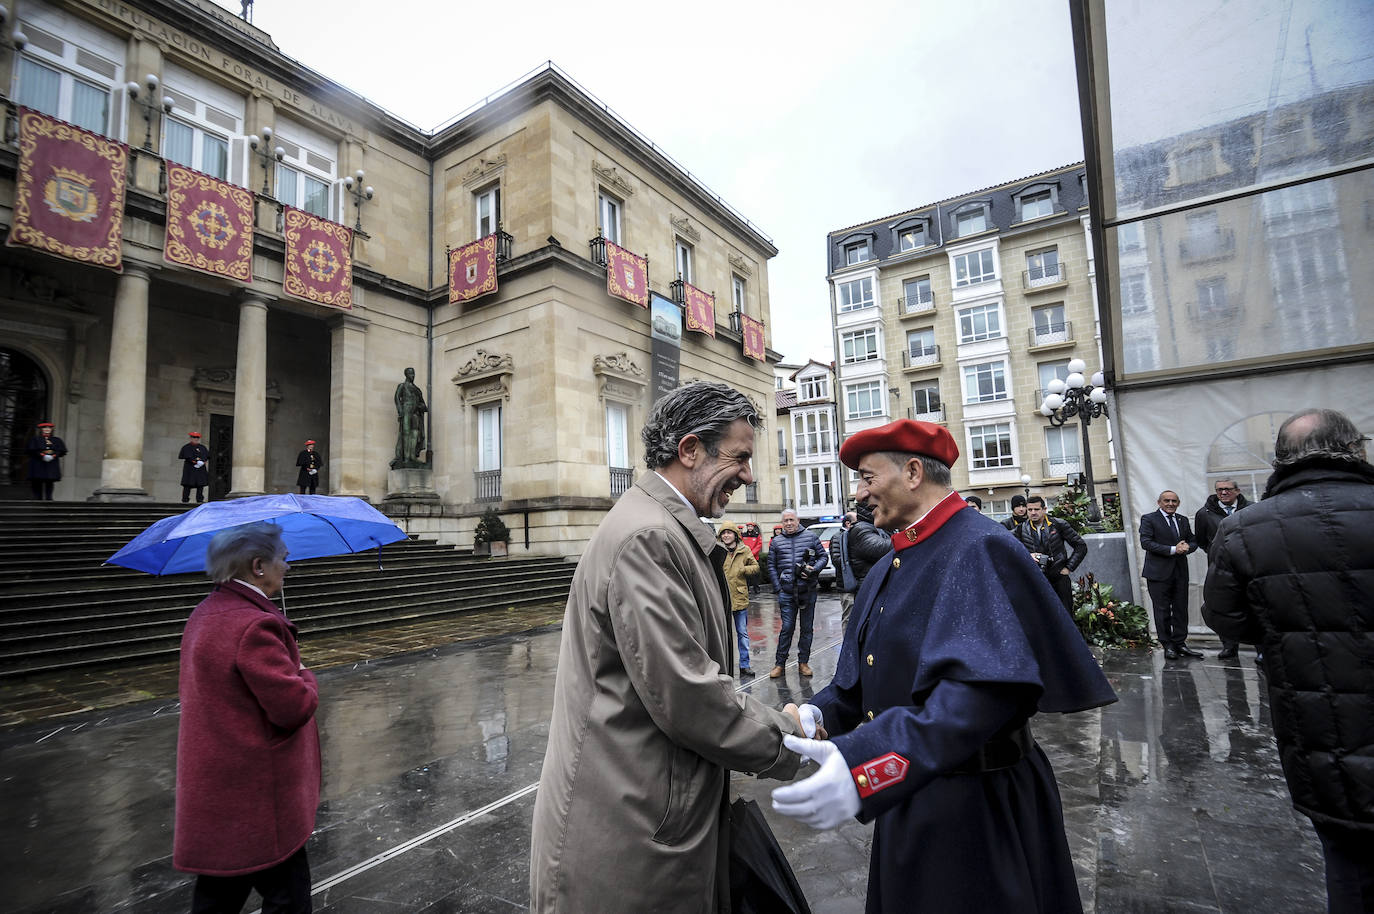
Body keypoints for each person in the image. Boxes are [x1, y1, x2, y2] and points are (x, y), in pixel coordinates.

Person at [770, 418, 1116, 913]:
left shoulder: (977, 545)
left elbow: (979, 696)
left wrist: (867, 769)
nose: (860, 494)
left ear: (913, 472)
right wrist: (819, 714)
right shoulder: (901, 555)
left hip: (976, 806)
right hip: (917, 793)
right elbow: (871, 672)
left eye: (868, 477)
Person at [529, 382, 803, 914]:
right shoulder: (650, 538)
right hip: (630, 830)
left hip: (644, 814)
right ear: (690, 450)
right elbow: (690, 697)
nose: (749, 475)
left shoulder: (666, 528)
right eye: (740, 457)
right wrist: (789, 736)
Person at [1203, 408, 1374, 913]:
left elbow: (1224, 618)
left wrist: (1289, 634)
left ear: (1281, 461)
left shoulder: (1243, 530)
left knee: (1350, 860)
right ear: (1357, 450)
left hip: (1320, 718)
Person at [174, 523, 319, 914]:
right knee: (287, 897)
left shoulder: (206, 612)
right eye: (283, 559)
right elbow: (294, 707)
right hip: (259, 796)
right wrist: (304, 672)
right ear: (258, 566)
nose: (287, 568)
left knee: (217, 896)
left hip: (217, 789)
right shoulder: (255, 624)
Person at [1194, 477, 1251, 660]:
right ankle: (1229, 646)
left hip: (1248, 564)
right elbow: (1201, 540)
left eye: (1227, 489)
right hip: (1221, 568)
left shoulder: (1251, 509)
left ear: (1237, 491)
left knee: (1253, 603)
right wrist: (1215, 552)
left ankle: (1261, 648)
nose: (1223, 493)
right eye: (1219, 490)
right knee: (1225, 604)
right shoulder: (1204, 513)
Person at [1139, 489, 1200, 660]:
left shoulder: (1182, 520)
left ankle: (1180, 643)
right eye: (1167, 501)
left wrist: (1187, 547)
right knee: (1162, 610)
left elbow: (1193, 541)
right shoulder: (1149, 519)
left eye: (1174, 501)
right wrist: (1174, 549)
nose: (1170, 504)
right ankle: (1167, 645)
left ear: (1178, 503)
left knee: (1181, 610)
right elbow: (1146, 543)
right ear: (1159, 502)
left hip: (1180, 572)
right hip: (1158, 574)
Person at [767, 508, 827, 678]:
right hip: (786, 592)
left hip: (807, 590)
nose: (788, 523)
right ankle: (780, 664)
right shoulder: (776, 541)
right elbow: (771, 565)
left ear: (798, 520)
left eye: (791, 520)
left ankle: (803, 663)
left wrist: (813, 569)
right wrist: (778, 587)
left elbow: (824, 557)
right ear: (782, 523)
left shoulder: (811, 537)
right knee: (786, 628)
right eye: (785, 521)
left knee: (807, 628)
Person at [1012, 495, 1087, 614]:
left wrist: (1068, 567)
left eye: (1036, 509)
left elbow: (1080, 546)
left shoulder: (1058, 524)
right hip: (1035, 580)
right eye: (1030, 510)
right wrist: (1027, 556)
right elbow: (1009, 548)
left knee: (1065, 616)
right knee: (1040, 617)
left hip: (1059, 579)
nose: (1033, 513)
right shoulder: (1021, 529)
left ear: (1044, 509)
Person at [832, 503, 892, 624]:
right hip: (854, 584)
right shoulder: (860, 530)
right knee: (851, 619)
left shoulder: (875, 528)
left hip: (867, 584)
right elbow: (881, 548)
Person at [719, 520, 760, 679]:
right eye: (723, 533)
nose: (726, 535)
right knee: (723, 635)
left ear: (735, 535)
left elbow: (755, 567)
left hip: (739, 597)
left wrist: (743, 569)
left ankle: (745, 665)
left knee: (742, 633)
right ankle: (724, 666)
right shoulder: (717, 550)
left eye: (729, 533)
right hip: (722, 599)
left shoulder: (744, 550)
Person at [391, 367, 428, 468]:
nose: (413, 375)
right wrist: (400, 411)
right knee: (406, 432)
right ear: (406, 375)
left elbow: (424, 405)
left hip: (415, 413)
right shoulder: (402, 386)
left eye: (413, 373)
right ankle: (406, 457)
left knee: (415, 433)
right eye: (411, 374)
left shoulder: (417, 389)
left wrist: (420, 406)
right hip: (406, 411)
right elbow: (397, 398)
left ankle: (412, 456)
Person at [26, 421, 66, 501]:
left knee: (49, 481)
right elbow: (32, 450)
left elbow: (61, 451)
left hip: (51, 463)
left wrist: (53, 456)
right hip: (38, 462)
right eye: (45, 428)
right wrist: (43, 456)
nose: (47, 429)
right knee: (37, 480)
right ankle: (37, 497)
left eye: (49, 428)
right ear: (41, 429)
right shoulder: (35, 439)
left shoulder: (57, 440)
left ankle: (49, 497)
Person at [178, 431, 209, 504]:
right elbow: (186, 456)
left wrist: (202, 462)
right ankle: (185, 499)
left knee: (200, 484)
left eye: (197, 437)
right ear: (190, 438)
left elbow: (206, 456)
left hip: (200, 468)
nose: (195, 439)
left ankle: (199, 499)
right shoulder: (186, 447)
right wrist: (194, 461)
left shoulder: (202, 447)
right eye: (194, 437)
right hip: (190, 468)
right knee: (187, 484)